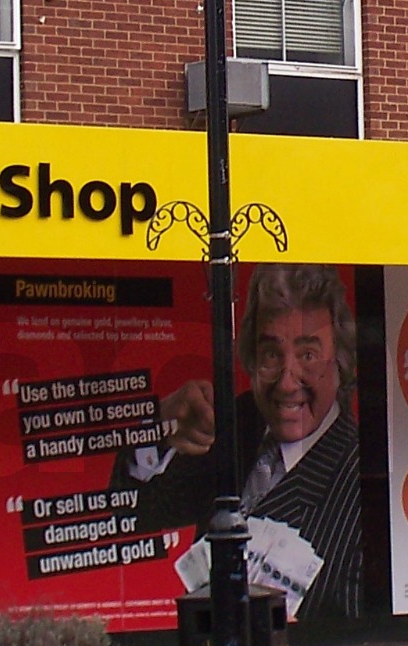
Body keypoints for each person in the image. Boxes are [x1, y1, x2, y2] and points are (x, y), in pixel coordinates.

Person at [130, 263, 362, 621]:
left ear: (341, 362)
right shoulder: (227, 425)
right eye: (271, 355)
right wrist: (155, 432)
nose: (287, 383)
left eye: (308, 356)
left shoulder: (359, 482)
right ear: (252, 359)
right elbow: (132, 513)